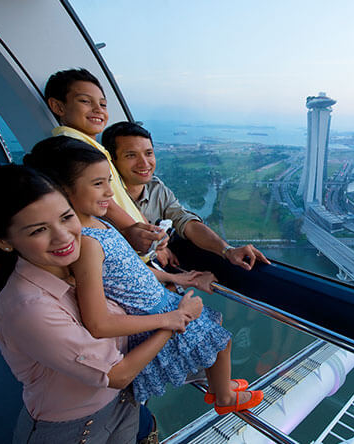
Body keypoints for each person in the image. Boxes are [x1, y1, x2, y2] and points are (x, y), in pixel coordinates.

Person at [24, 136, 263, 414]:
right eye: (98, 184)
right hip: (150, 318)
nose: (110, 193)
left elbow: (129, 272)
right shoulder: (87, 244)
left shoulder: (99, 223)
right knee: (221, 340)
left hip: (160, 303)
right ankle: (224, 397)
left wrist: (176, 278)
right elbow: (97, 324)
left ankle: (219, 385)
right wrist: (174, 318)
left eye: (109, 182)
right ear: (62, 190)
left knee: (215, 328)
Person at [0, 165, 184, 443]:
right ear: (0, 240)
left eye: (66, 217)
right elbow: (116, 375)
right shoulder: (28, 308)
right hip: (73, 429)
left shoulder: (81, 263)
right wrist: (173, 321)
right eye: (38, 230)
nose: (63, 236)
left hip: (124, 403)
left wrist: (172, 280)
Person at [101, 121, 270, 274]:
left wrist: (227, 250)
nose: (144, 163)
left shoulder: (157, 189)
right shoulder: (102, 198)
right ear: (112, 161)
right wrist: (154, 250)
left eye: (148, 153)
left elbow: (186, 222)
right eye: (131, 155)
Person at [44, 68, 162, 254]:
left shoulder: (92, 147)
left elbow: (122, 198)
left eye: (103, 104)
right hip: (132, 245)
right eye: (85, 101)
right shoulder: (73, 148)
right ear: (58, 107)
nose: (98, 109)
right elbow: (108, 205)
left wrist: (148, 230)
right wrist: (136, 233)